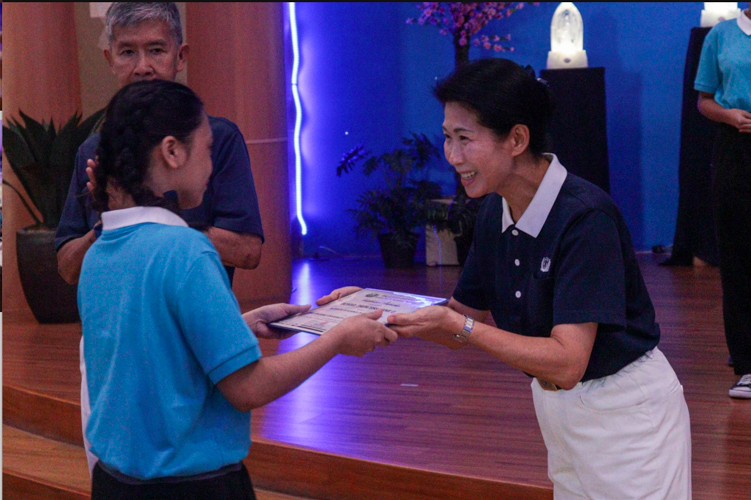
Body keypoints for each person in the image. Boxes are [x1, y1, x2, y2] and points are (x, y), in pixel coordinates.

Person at [327, 58, 692, 499]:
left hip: (626, 411)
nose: (452, 156)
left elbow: (567, 361)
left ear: (517, 138)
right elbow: (459, 319)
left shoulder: (584, 217)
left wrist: (460, 327)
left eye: (465, 139)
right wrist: (376, 307)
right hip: (557, 410)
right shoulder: (494, 211)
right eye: (447, 138)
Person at [79, 78, 398, 499]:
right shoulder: (186, 250)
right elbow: (248, 387)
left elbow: (151, 349)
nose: (212, 165)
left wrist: (240, 323)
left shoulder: (98, 252)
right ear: (173, 151)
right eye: (208, 148)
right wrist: (338, 339)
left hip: (113, 483)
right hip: (192, 489)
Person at [54, 2, 266, 475]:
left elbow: (248, 250)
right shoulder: (92, 151)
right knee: (116, 470)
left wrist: (152, 215)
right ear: (108, 58)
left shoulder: (215, 138)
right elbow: (68, 266)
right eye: (127, 52)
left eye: (156, 49)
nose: (143, 66)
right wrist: (109, 218)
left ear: (180, 55)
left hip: (197, 343)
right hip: (114, 356)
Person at [695, 7, 751, 399]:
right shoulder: (721, 35)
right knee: (739, 256)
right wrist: (730, 116)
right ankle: (747, 364)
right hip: (737, 151)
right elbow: (704, 100)